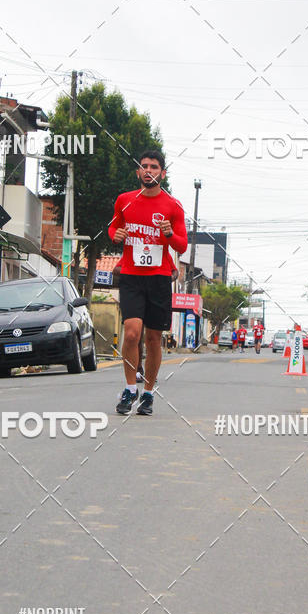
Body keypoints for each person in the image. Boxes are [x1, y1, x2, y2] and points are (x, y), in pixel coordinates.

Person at [109, 149, 188, 415]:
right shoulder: (124, 200)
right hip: (131, 275)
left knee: (154, 338)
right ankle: (130, 389)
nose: (148, 170)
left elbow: (182, 244)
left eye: (154, 167)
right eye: (144, 166)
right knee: (132, 332)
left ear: (162, 173)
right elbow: (113, 228)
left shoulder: (173, 206)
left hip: (159, 277)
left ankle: (148, 394)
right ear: (138, 172)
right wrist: (116, 234)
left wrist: (168, 234)